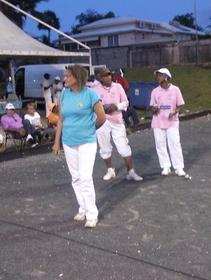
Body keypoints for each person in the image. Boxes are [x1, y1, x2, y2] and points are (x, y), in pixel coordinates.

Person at [52, 64, 106, 228]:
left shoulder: (91, 94)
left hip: (87, 142)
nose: (64, 79)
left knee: (85, 178)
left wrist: (90, 129)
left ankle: (92, 214)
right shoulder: (65, 94)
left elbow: (101, 117)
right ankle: (82, 207)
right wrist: (57, 142)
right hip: (69, 142)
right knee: (75, 178)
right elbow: (61, 118)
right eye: (65, 76)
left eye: (68, 76)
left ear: (78, 77)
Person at [94, 68, 143, 182]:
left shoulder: (118, 87)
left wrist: (116, 106)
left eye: (110, 75)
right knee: (104, 147)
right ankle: (110, 170)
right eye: (105, 76)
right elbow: (93, 105)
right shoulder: (95, 90)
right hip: (102, 122)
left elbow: (126, 102)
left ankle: (130, 171)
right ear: (100, 77)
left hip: (117, 120)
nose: (109, 77)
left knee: (123, 146)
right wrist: (103, 109)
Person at [150, 68, 192, 179]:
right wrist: (153, 109)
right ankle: (165, 166)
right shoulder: (155, 91)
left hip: (172, 121)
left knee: (174, 143)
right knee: (160, 145)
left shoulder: (175, 90)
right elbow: (152, 106)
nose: (158, 78)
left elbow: (180, 105)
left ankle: (178, 167)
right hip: (158, 121)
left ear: (166, 77)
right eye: (157, 76)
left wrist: (174, 112)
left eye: (160, 76)